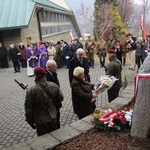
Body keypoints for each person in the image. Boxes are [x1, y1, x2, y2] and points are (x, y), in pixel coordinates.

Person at [25, 67, 63, 136]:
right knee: (55, 138)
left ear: (35, 76)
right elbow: (61, 98)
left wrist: (30, 122)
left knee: (44, 142)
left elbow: (28, 109)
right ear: (44, 75)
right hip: (53, 117)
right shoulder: (54, 85)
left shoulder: (31, 91)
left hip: (41, 121)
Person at [45, 59, 63, 129]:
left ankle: (58, 127)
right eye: (54, 67)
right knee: (53, 117)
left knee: (58, 116)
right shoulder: (45, 76)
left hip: (57, 99)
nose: (55, 68)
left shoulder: (53, 73)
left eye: (55, 66)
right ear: (48, 67)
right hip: (52, 101)